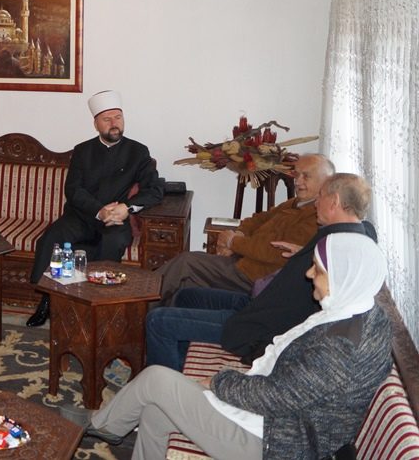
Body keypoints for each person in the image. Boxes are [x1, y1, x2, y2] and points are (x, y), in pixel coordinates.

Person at [64, 231, 392, 460]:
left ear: (345, 276)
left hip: (274, 445)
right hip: (282, 425)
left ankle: (101, 426)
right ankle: (110, 425)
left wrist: (220, 381)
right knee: (154, 411)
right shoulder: (361, 313)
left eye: (317, 269)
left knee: (156, 379)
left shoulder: (341, 346)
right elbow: (294, 388)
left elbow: (276, 398)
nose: (309, 274)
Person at [145, 172, 376, 370]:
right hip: (257, 304)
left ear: (334, 202)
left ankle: (163, 391)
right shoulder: (349, 236)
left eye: (321, 196)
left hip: (257, 328)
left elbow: (288, 310)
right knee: (186, 296)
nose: (316, 202)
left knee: (157, 320)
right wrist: (302, 253)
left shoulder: (334, 246)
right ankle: (177, 366)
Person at [26, 90, 163, 327]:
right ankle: (47, 300)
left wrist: (126, 208)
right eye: (107, 119)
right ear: (96, 124)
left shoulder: (138, 151)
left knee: (112, 242)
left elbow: (154, 189)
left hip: (116, 220)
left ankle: (100, 305)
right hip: (82, 215)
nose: (114, 124)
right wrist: (100, 211)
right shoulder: (82, 151)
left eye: (118, 117)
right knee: (51, 238)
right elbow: (73, 190)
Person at [155, 153, 334, 305]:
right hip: (244, 262)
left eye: (306, 176)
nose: (298, 181)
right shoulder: (297, 202)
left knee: (186, 263)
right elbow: (258, 219)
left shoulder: (316, 217)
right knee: (186, 282)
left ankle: (141, 306)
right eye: (296, 175)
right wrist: (238, 234)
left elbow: (276, 253)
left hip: (255, 276)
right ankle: (152, 316)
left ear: (325, 181)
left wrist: (233, 242)